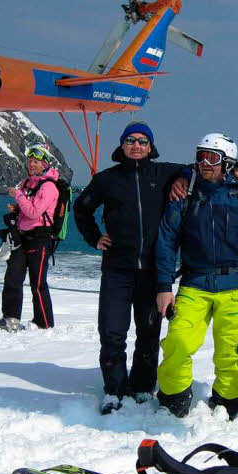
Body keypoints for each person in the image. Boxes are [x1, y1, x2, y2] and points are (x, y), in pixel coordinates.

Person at [73, 122, 186, 414]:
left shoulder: (163, 174)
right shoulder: (106, 179)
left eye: (143, 141)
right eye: (131, 141)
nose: (137, 146)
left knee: (148, 332)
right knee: (112, 331)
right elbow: (81, 207)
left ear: (151, 147)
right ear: (122, 145)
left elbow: (195, 168)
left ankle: (142, 386)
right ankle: (114, 388)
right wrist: (94, 238)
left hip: (152, 270)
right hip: (117, 269)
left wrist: (182, 180)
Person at [153, 133, 238, 419]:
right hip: (194, 283)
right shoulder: (185, 193)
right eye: (200, 156)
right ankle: (174, 395)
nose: (204, 163)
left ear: (228, 162)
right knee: (178, 341)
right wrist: (163, 285)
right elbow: (167, 239)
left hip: (235, 284)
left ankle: (229, 400)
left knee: (229, 351)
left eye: (212, 157)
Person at [0, 143, 61, 331]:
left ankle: (44, 323)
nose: (31, 164)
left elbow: (35, 212)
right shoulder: (26, 183)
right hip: (22, 237)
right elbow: (27, 209)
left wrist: (18, 196)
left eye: (36, 161)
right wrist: (18, 208)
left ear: (45, 164)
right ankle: (10, 319)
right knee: (12, 278)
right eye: (29, 160)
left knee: (37, 283)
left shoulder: (49, 187)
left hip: (41, 239)